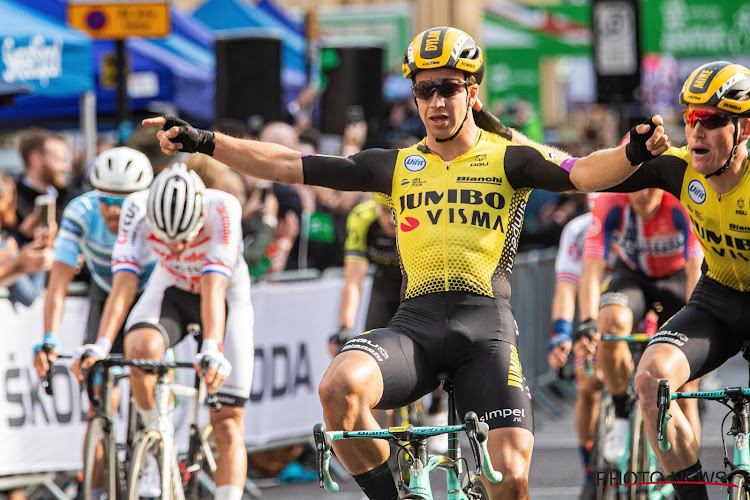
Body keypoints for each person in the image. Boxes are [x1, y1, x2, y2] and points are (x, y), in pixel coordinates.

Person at [141, 27, 668, 500]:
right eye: (424, 89)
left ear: (472, 92)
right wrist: (206, 142)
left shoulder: (510, 157)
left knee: (508, 475)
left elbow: (582, 173)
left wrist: (634, 154)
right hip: (414, 328)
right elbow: (287, 164)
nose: (436, 101)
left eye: (449, 87)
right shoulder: (397, 166)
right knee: (338, 390)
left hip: (485, 332)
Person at [567, 60, 750, 500]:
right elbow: (577, 172)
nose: (697, 131)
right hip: (718, 300)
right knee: (650, 378)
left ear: (743, 128)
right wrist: (633, 151)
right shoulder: (679, 170)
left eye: (712, 119)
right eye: (691, 118)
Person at [73, 163, 254, 500]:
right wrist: (98, 345)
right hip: (169, 289)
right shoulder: (135, 208)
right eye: (165, 240)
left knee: (227, 422)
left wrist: (212, 348)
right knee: (138, 347)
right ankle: (157, 441)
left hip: (225, 296)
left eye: (184, 239)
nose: (175, 249)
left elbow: (213, 289)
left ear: (199, 217)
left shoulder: (224, 208)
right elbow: (123, 285)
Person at [32, 147, 156, 499]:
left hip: (151, 290)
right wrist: (49, 337)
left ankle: (155, 439)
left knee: (146, 370)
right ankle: (97, 489)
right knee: (99, 403)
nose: (115, 210)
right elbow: (57, 283)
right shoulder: (81, 212)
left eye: (124, 201)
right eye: (107, 201)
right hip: (106, 289)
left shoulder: (153, 212)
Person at [577, 189, 703, 465]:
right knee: (609, 322)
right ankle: (621, 410)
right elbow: (591, 268)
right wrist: (587, 323)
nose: (642, 194)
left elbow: (696, 267)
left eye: (650, 186)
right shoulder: (610, 202)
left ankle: (690, 479)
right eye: (634, 186)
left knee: (687, 391)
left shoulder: (679, 199)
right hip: (632, 276)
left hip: (677, 278)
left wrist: (696, 320)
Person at [545, 211, 597, 496]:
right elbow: (566, 289)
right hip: (594, 320)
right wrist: (561, 334)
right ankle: (590, 469)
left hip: (642, 309)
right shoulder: (578, 230)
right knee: (587, 383)